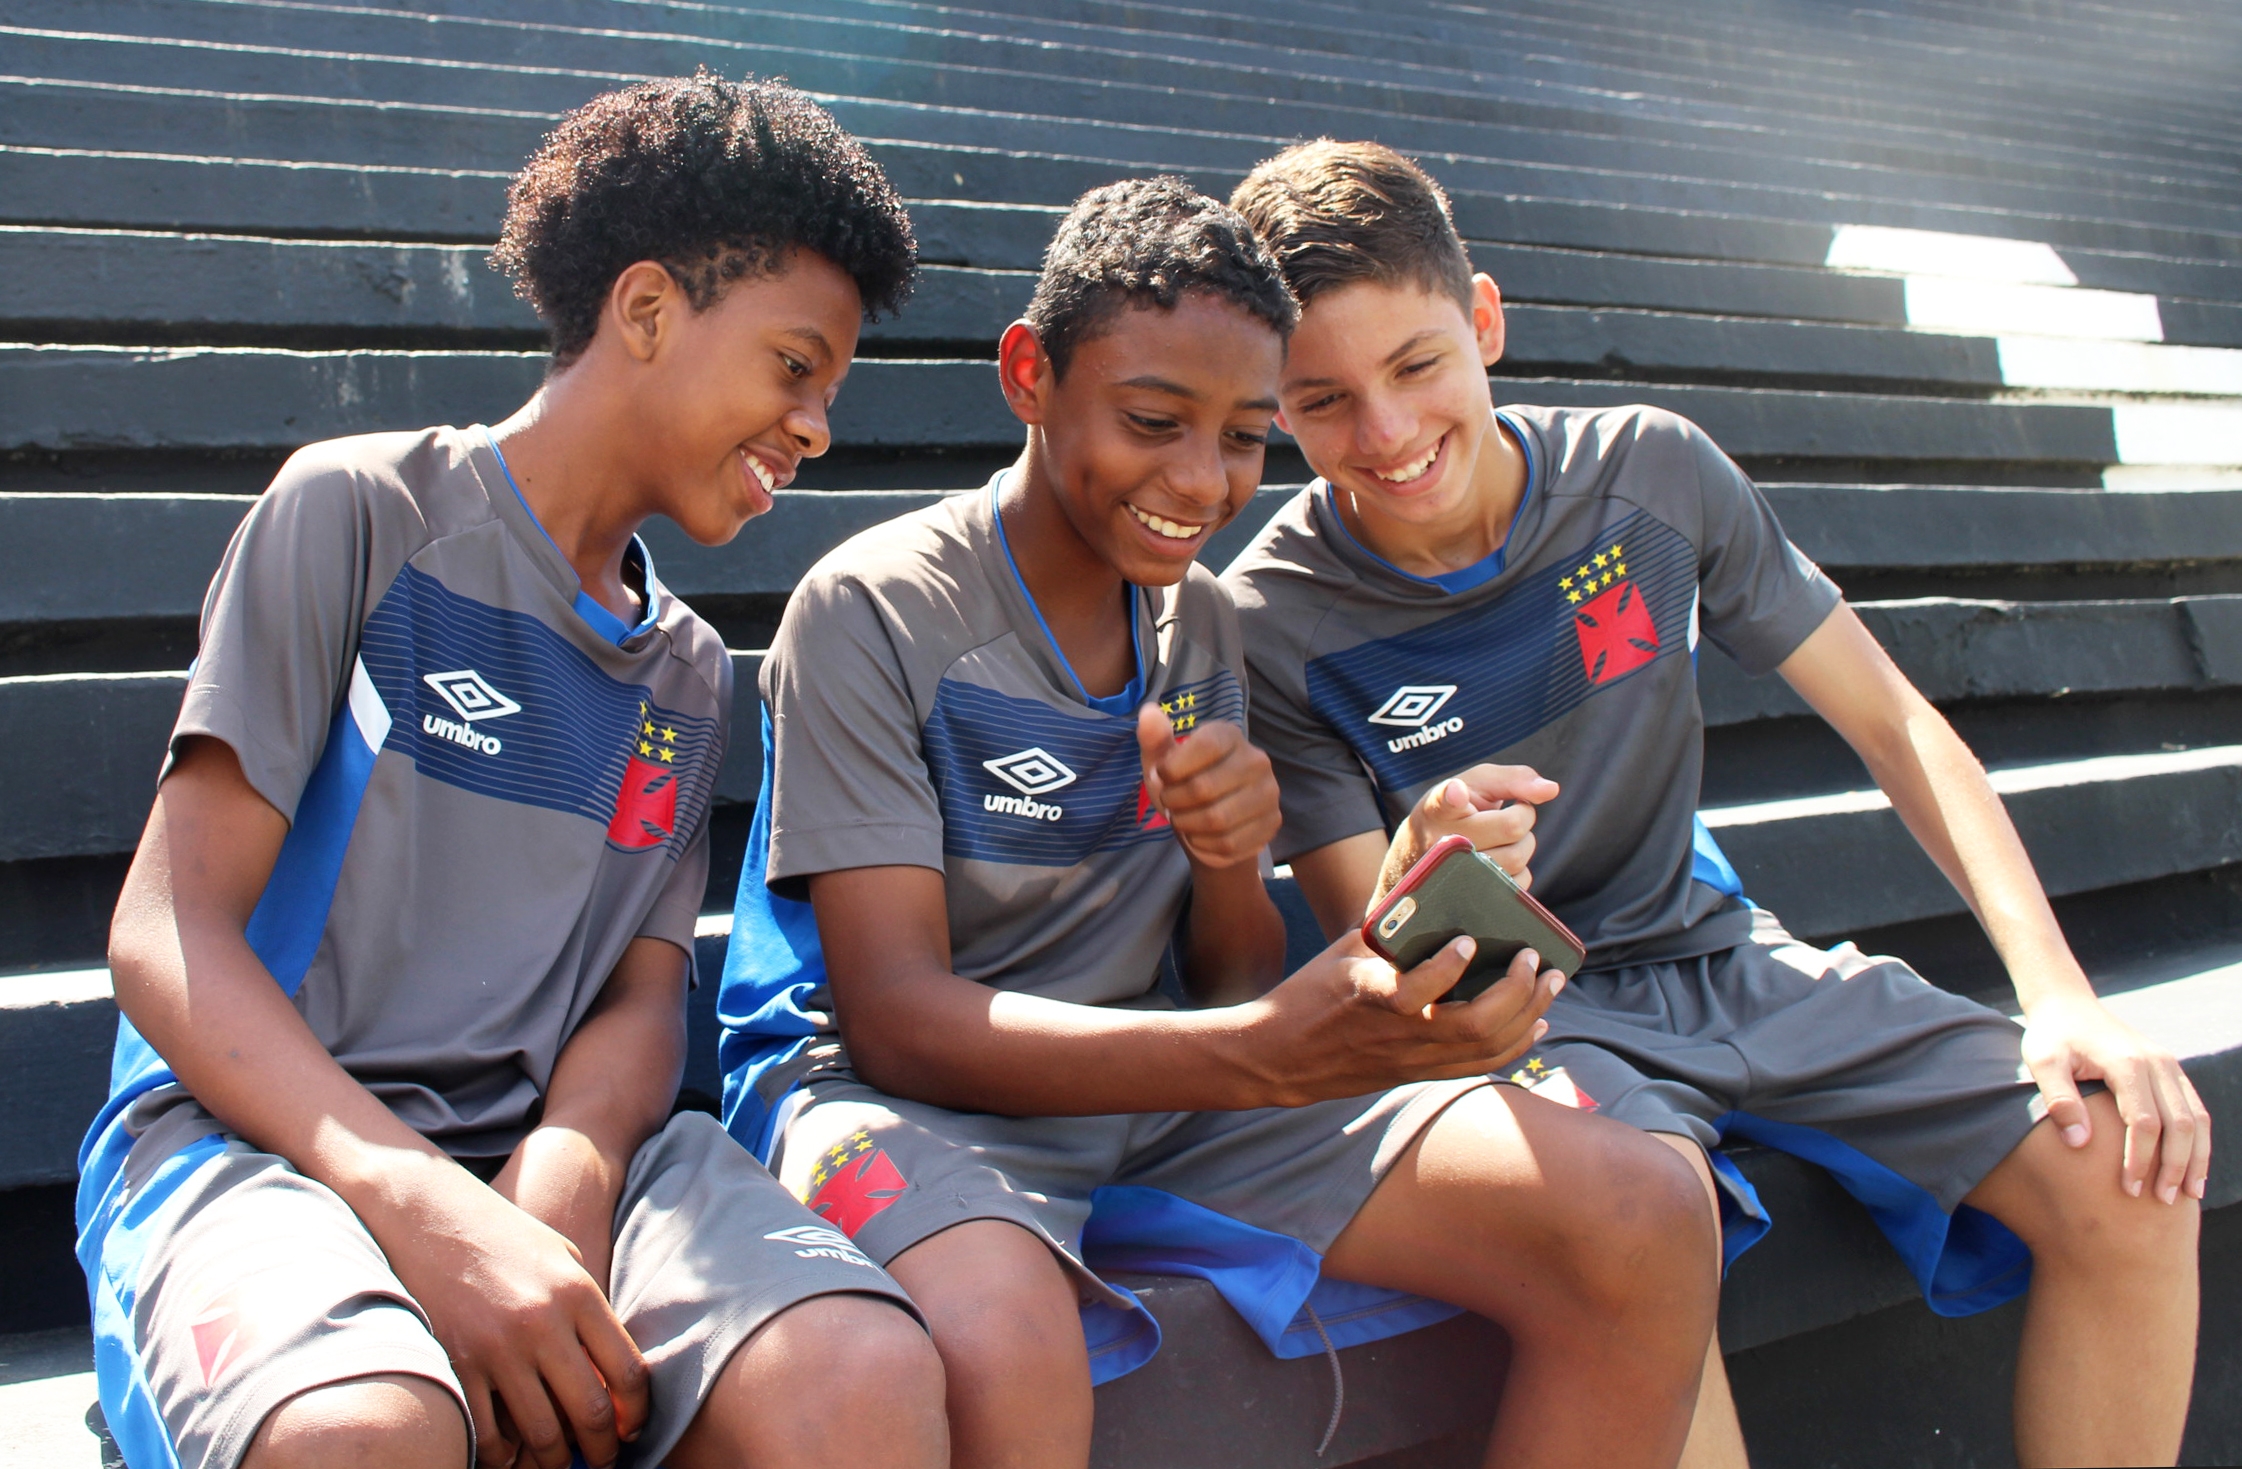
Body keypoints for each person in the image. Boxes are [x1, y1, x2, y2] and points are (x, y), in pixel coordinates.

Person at [1221, 138, 2209, 1468]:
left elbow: (1895, 721)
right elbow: (1389, 958)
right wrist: (1419, 857)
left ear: (1485, 321)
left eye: (1416, 365)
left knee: (2129, 1168)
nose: (1386, 434)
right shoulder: (1267, 620)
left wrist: (2060, 994)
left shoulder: (1650, 473)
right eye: (1324, 400)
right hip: (1524, 1020)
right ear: (1275, 406)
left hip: (1722, 956)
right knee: (1642, 1226)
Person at [718, 174, 1717, 1469]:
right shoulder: (874, 608)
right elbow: (897, 1022)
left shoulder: (1200, 622)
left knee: (1641, 1207)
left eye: (1245, 436)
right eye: (1153, 421)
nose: (1200, 481)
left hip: (1159, 1079)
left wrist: (1230, 862)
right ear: (1028, 375)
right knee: (999, 1345)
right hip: (890, 1095)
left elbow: (1233, 976)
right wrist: (1258, 1051)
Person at [77, 74, 949, 1469]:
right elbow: (165, 932)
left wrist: (569, 1171)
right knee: (362, 1433)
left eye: (829, 391)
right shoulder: (361, 512)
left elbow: (642, 993)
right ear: (647, 309)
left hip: (541, 1149)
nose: (816, 425)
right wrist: (426, 1208)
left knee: (859, 1377)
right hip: (264, 1140)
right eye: (794, 366)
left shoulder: (684, 671)